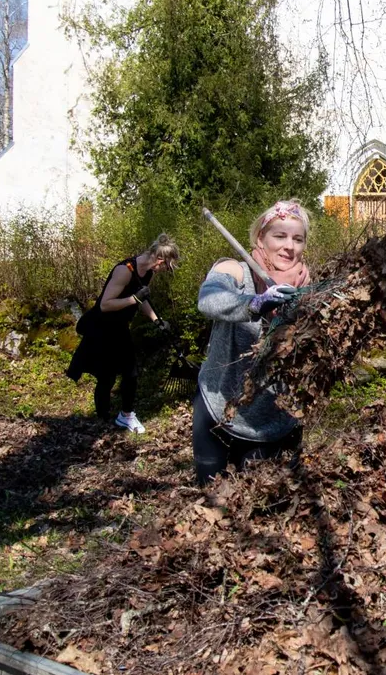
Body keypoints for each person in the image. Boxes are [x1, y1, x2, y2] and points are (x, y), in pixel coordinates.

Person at [193, 200, 313, 483]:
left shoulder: (306, 287)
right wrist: (255, 303)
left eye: (298, 239)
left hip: (271, 423)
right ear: (261, 237)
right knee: (209, 497)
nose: (289, 246)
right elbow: (208, 300)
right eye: (280, 236)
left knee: (256, 510)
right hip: (217, 408)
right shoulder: (234, 270)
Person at [67, 233, 179, 433]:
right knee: (106, 376)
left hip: (119, 327)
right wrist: (133, 299)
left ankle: (126, 415)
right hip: (101, 327)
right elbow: (105, 305)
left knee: (131, 372)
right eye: (167, 267)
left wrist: (156, 320)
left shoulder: (148, 273)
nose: (165, 271)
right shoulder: (124, 271)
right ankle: (102, 418)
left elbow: (142, 299)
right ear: (160, 260)